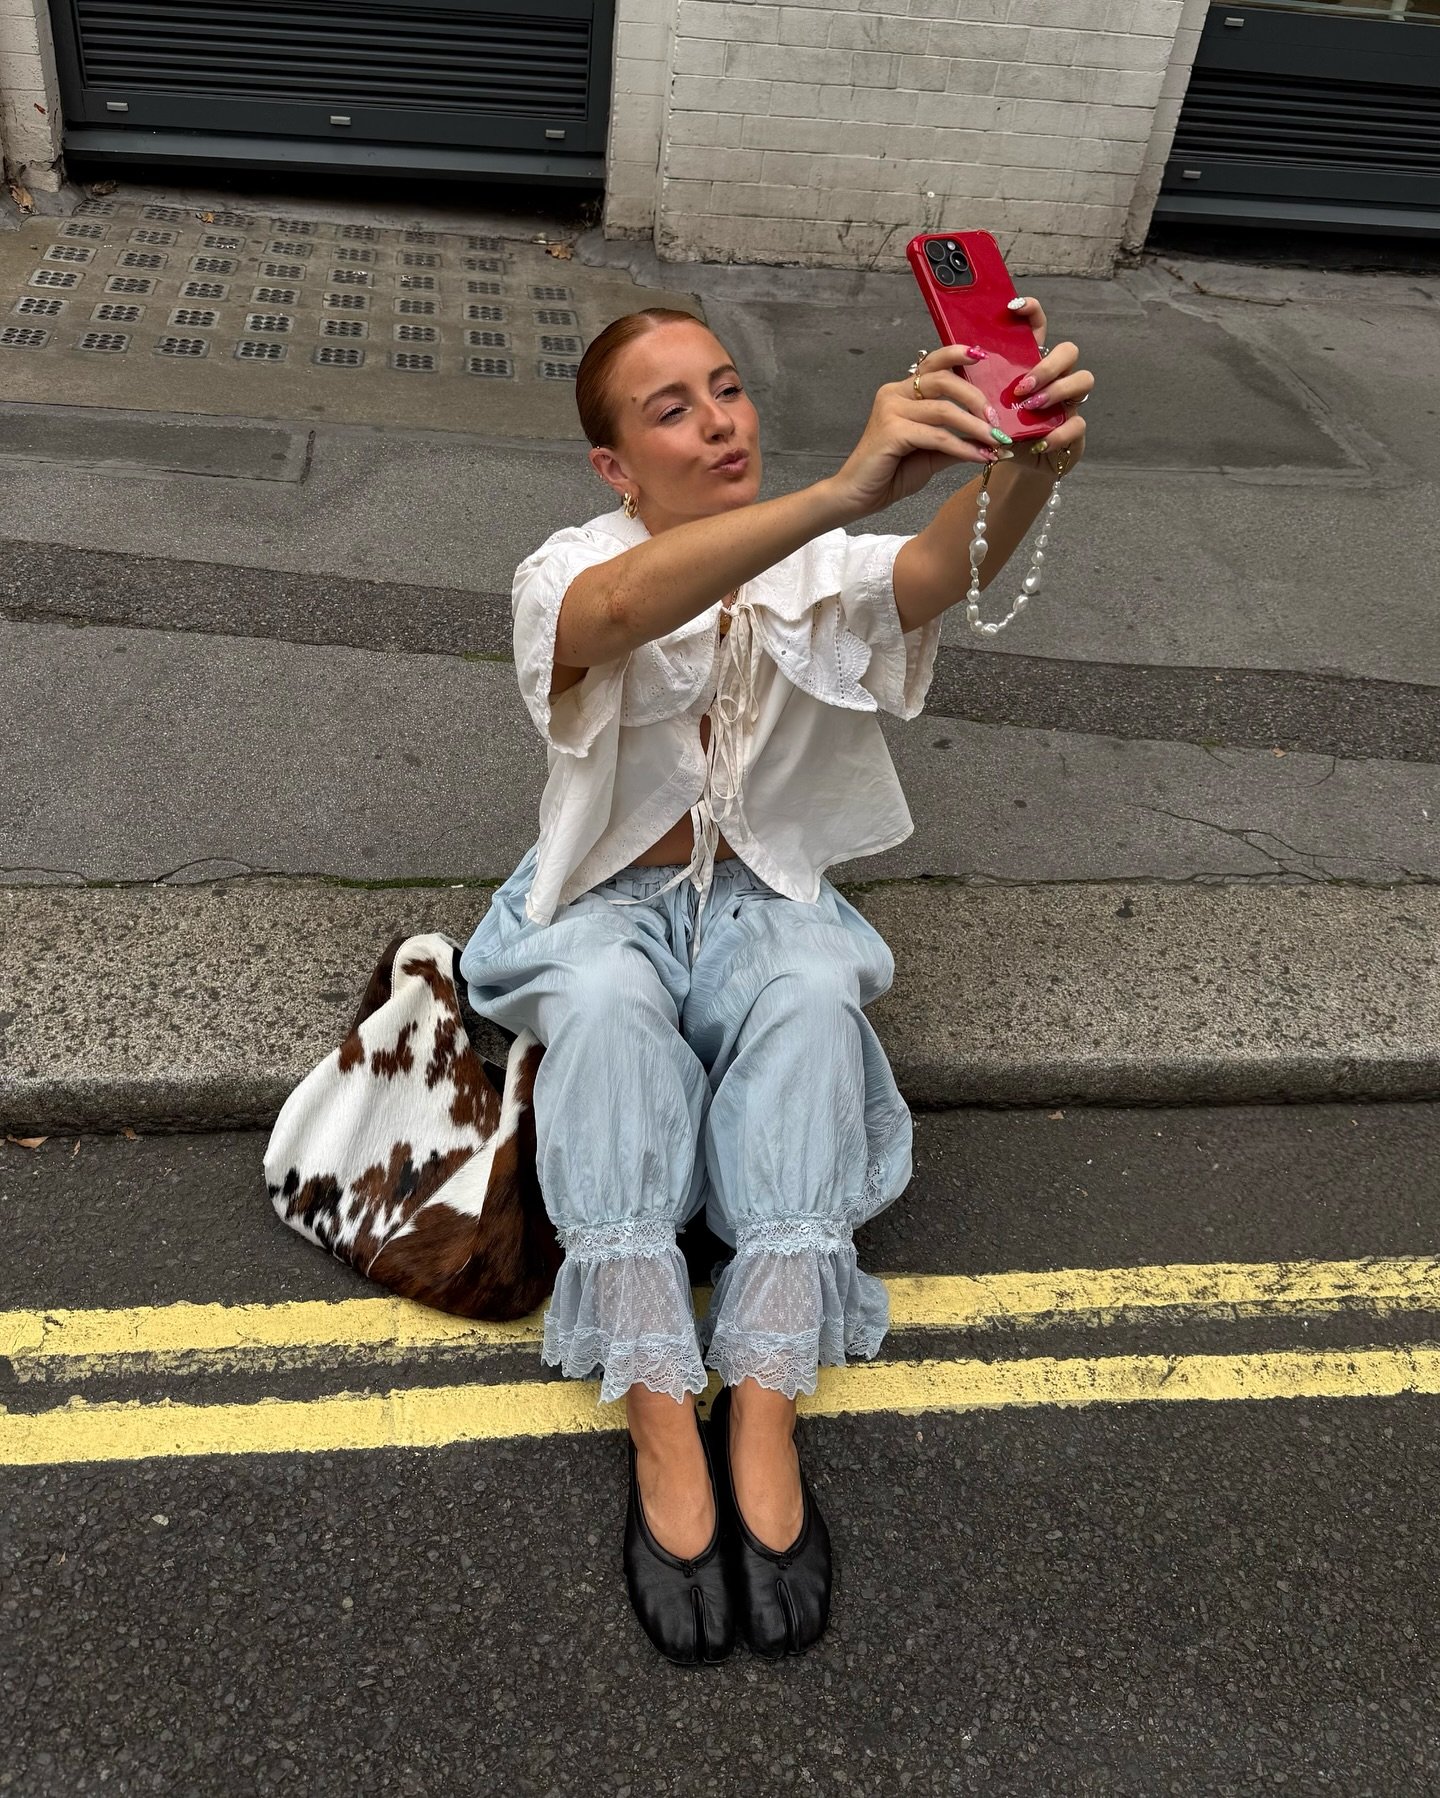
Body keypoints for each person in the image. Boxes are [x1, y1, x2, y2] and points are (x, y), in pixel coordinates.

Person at [459, 301, 1093, 1665]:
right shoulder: (566, 565)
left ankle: (759, 1394)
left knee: (814, 999)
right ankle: (653, 1404)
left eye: (729, 389)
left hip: (758, 894)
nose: (719, 420)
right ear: (614, 467)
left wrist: (1029, 454)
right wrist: (836, 489)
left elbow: (932, 570)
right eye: (671, 408)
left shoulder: (818, 557)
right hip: (606, 904)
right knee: (614, 1019)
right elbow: (618, 613)